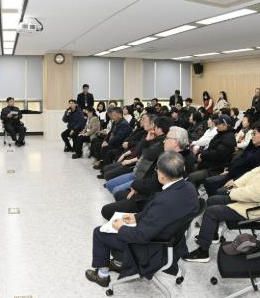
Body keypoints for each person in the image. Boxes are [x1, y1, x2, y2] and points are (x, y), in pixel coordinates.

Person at [85, 152, 199, 286]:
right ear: (183, 168)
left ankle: (102, 277)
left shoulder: (164, 201)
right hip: (172, 242)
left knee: (99, 232)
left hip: (152, 248)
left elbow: (141, 236)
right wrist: (135, 217)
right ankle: (118, 263)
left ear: (161, 176)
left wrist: (120, 227)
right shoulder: (189, 188)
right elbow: (161, 216)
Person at [184, 137, 260, 263]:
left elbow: (257, 194)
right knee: (212, 200)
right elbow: (252, 174)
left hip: (253, 209)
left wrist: (232, 193)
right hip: (247, 199)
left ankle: (203, 252)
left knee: (212, 212)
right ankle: (213, 236)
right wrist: (236, 184)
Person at [100, 126, 191, 221]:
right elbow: (150, 171)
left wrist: (136, 186)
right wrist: (137, 186)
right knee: (119, 194)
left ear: (175, 142)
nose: (164, 141)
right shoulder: (172, 155)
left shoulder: (177, 162)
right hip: (148, 189)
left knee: (106, 210)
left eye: (167, 138)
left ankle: (128, 221)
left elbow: (156, 185)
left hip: (151, 201)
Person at [202, 121, 260, 197]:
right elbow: (241, 158)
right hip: (232, 173)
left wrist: (236, 181)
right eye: (252, 134)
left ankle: (216, 200)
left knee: (218, 191)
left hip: (240, 181)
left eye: (254, 134)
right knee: (208, 182)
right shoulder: (252, 144)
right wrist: (229, 169)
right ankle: (213, 199)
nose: (252, 136)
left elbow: (253, 173)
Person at [187, 114, 237, 188]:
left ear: (225, 125)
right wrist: (201, 154)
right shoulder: (221, 134)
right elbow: (211, 149)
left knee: (191, 176)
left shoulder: (228, 138)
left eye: (219, 123)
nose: (217, 125)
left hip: (215, 168)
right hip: (209, 163)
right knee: (190, 166)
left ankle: (193, 193)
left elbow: (217, 155)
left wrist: (202, 155)